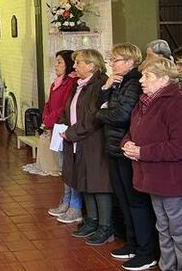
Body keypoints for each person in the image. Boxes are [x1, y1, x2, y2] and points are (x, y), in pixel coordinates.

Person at [122, 57, 182, 271]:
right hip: (156, 178)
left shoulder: (179, 105)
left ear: (164, 79)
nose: (141, 80)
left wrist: (142, 152)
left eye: (147, 76)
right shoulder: (146, 102)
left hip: (177, 180)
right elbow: (132, 131)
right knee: (165, 230)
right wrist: (128, 143)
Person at [96, 43, 157, 269]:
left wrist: (102, 111)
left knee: (135, 201)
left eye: (116, 59)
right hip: (115, 146)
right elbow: (99, 106)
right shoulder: (120, 82)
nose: (112, 64)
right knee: (123, 199)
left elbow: (121, 115)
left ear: (130, 62)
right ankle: (133, 243)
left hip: (126, 147)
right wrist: (106, 88)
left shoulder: (133, 83)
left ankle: (145, 249)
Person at [59, 48, 113, 245]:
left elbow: (92, 116)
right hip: (78, 141)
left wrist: (71, 133)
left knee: (98, 183)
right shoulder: (79, 84)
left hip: (94, 141)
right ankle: (92, 220)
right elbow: (70, 108)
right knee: (83, 181)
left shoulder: (99, 83)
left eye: (79, 62)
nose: (74, 66)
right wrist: (63, 124)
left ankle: (105, 226)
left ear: (91, 65)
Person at [36, 51, 79, 218]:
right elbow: (49, 103)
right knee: (63, 167)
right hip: (56, 127)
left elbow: (64, 106)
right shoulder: (56, 82)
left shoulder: (71, 82)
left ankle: (73, 204)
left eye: (60, 62)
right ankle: (65, 201)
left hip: (65, 127)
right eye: (56, 62)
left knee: (69, 168)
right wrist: (45, 118)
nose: (56, 65)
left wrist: (50, 121)